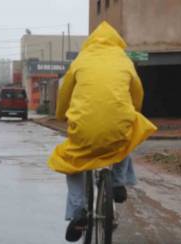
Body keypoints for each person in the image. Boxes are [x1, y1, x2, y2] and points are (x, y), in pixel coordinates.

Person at [47, 21, 157, 242]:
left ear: (91, 42)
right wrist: (133, 112)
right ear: (117, 41)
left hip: (85, 129)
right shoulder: (124, 60)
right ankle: (117, 182)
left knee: (71, 163)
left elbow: (65, 93)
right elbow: (137, 93)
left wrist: (61, 115)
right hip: (117, 127)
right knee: (128, 136)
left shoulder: (81, 60)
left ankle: (78, 210)